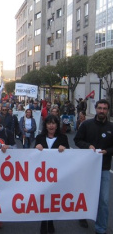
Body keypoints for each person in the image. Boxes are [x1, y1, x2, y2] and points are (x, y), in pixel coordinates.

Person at [74, 99, 113, 234]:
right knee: (86, 195)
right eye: (100, 108)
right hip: (88, 168)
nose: (102, 111)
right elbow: (77, 140)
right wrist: (88, 146)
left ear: (107, 110)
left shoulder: (111, 127)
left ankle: (100, 228)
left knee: (103, 200)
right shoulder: (86, 125)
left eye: (105, 108)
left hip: (104, 168)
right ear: (95, 109)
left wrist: (107, 151)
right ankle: (82, 216)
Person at [35, 114, 69, 234]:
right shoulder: (39, 137)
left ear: (56, 125)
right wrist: (36, 148)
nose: (51, 125)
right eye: (49, 123)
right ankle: (44, 222)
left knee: (53, 200)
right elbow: (32, 157)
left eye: (53, 123)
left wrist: (64, 149)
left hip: (56, 175)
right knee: (44, 199)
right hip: (42, 175)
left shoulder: (63, 138)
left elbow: (70, 156)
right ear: (46, 125)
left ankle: (51, 222)